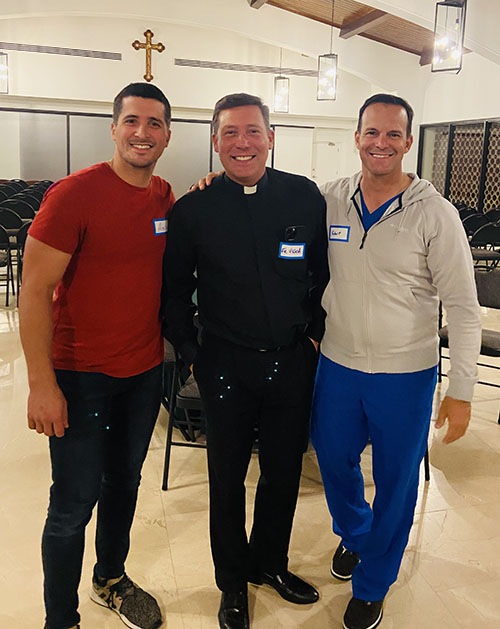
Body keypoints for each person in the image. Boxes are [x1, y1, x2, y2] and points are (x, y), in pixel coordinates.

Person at [310, 93, 481, 629]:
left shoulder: (436, 213)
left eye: (392, 135)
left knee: (396, 478)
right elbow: (270, 207)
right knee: (332, 459)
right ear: (356, 136)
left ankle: (375, 578)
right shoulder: (330, 198)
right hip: (337, 364)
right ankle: (357, 534)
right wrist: (212, 184)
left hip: (405, 374)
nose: (380, 143)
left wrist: (461, 389)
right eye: (371, 132)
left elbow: (464, 309)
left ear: (408, 142)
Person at [162, 92, 329, 629]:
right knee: (227, 478)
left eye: (253, 131)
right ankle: (232, 582)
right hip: (225, 364)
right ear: (214, 141)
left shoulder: (304, 197)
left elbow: (324, 274)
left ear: (271, 138)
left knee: (282, 473)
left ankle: (270, 565)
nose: (242, 143)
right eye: (230, 133)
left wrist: (315, 339)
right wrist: (190, 354)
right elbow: (173, 293)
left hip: (291, 360)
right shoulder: (192, 209)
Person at [19, 82, 175, 629]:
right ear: (113, 128)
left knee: (122, 485)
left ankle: (110, 578)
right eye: (132, 121)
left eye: (154, 123)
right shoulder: (74, 194)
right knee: (71, 505)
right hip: (80, 375)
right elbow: (33, 290)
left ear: (167, 135)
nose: (142, 132)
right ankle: (60, 619)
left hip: (143, 373)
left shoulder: (163, 196)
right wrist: (42, 385)